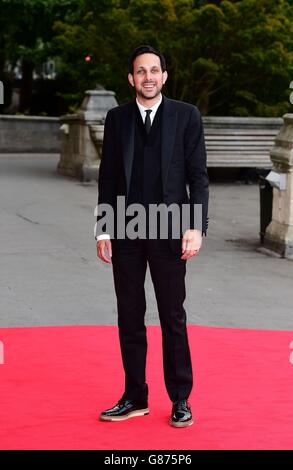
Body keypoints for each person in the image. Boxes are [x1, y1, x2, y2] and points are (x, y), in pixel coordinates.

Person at [95, 45, 209, 427]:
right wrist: (103, 228)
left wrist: (195, 227)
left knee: (172, 315)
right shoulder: (117, 119)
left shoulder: (187, 116)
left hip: (171, 229)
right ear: (131, 78)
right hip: (126, 228)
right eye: (140, 71)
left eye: (154, 70)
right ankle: (134, 396)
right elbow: (107, 177)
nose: (148, 77)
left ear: (164, 76)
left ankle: (180, 398)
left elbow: (198, 177)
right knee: (129, 315)